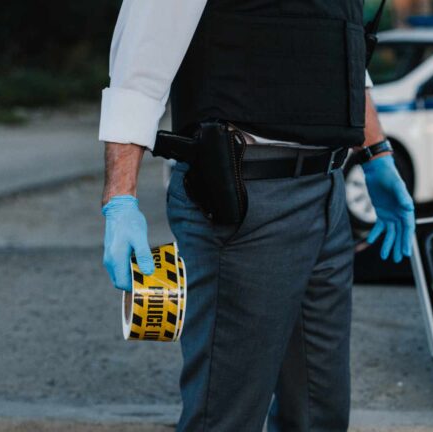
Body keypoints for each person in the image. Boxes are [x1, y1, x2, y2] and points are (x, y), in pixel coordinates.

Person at [98, 1, 414, 430]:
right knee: (227, 418)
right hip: (246, 197)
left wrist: (377, 152)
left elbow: (343, 55)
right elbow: (139, 68)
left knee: (320, 413)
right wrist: (121, 199)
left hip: (328, 190)